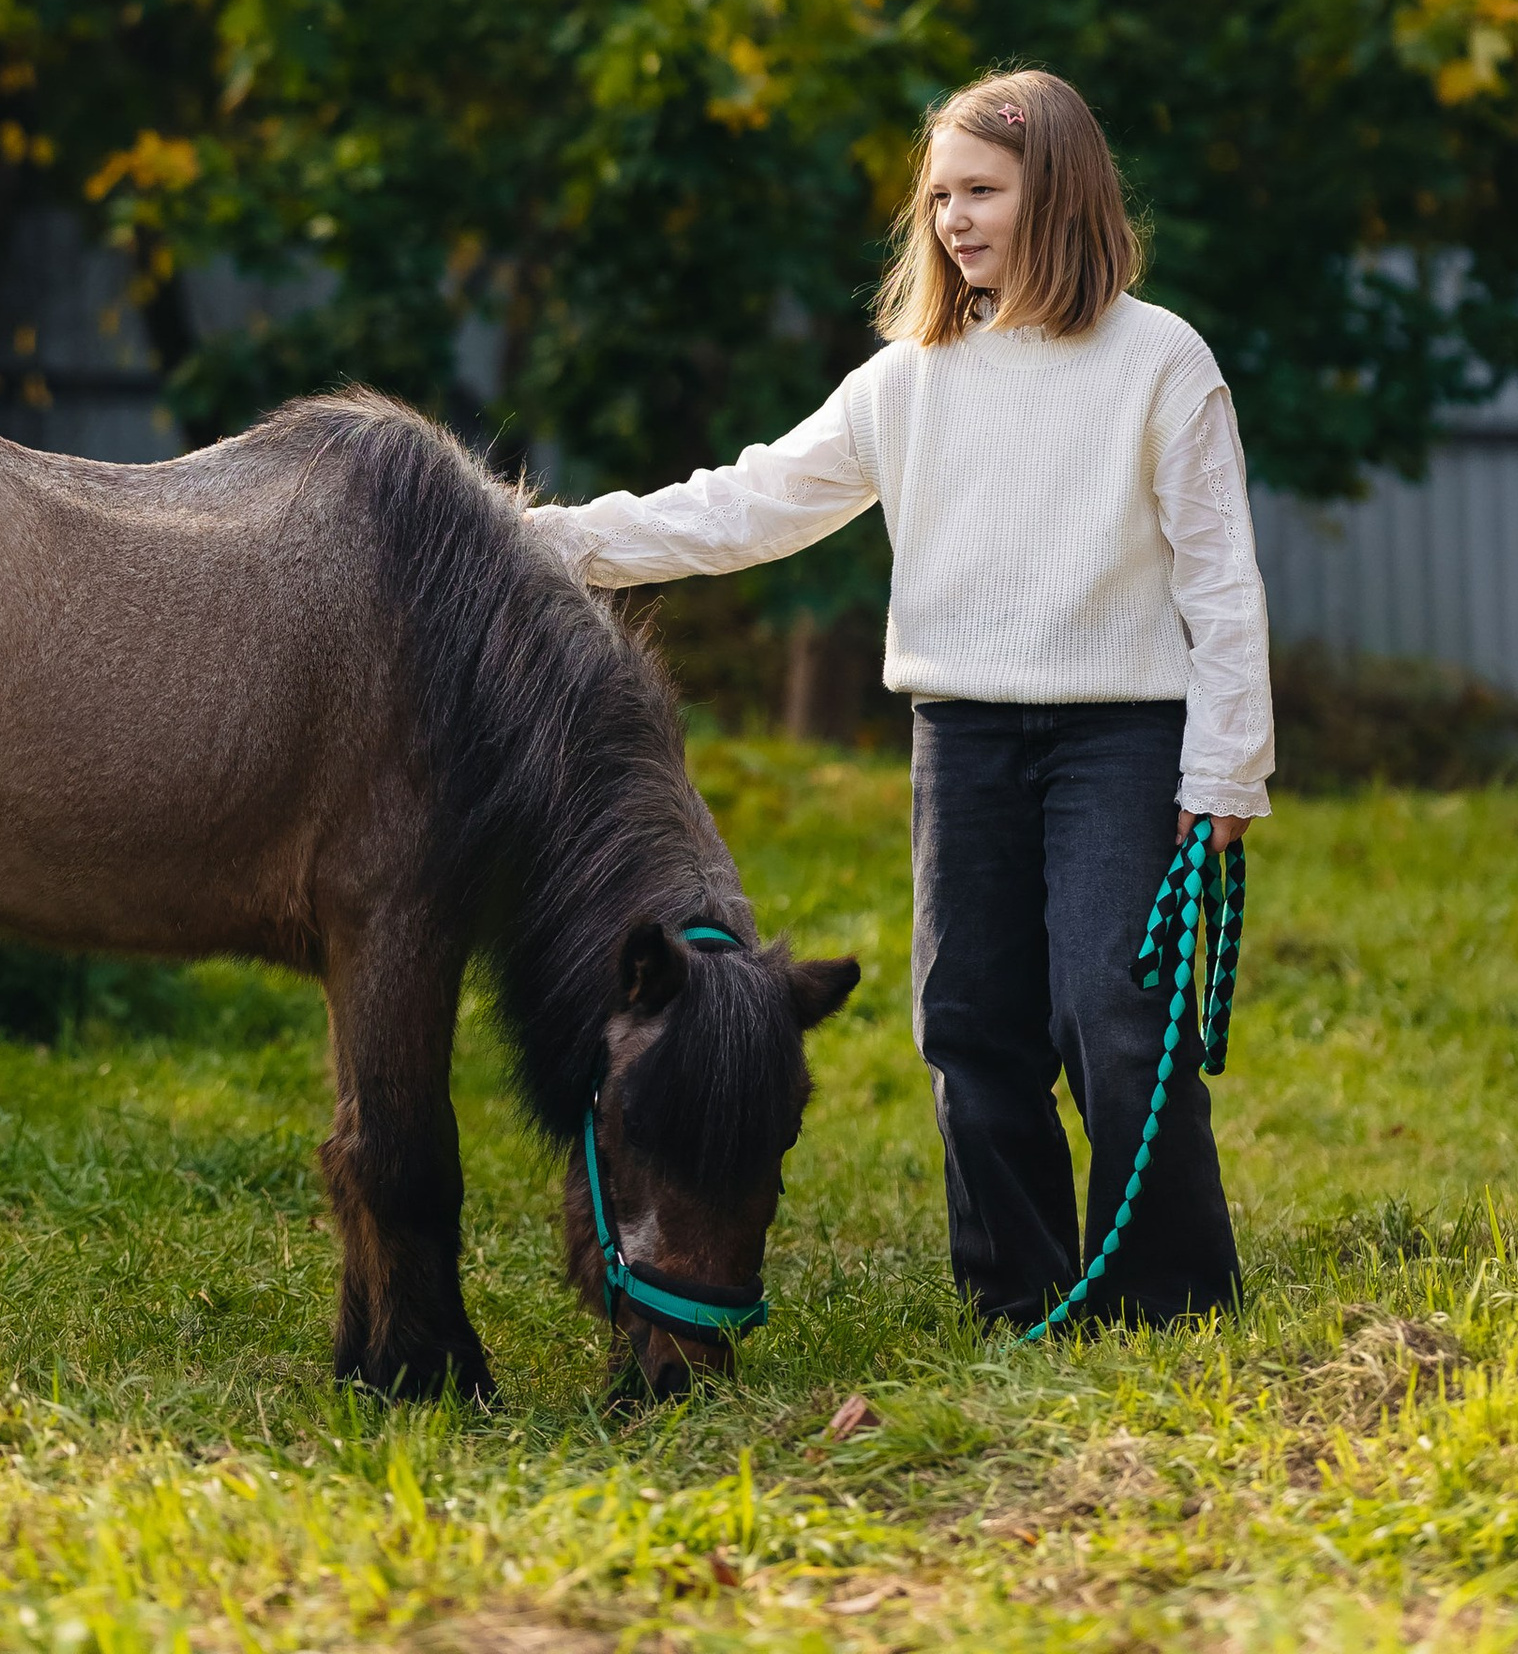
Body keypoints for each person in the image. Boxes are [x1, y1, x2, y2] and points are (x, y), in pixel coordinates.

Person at [529, 67, 1271, 1329]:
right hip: (961, 736)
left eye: (981, 191)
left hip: (1121, 736)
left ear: (1062, 192)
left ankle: (1168, 1301)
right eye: (938, 199)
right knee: (968, 1022)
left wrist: (1224, 775)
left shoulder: (1161, 361)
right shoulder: (909, 377)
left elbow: (1222, 584)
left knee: (1114, 1015)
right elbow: (745, 501)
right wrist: (558, 543)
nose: (954, 221)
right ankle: (1017, 1296)